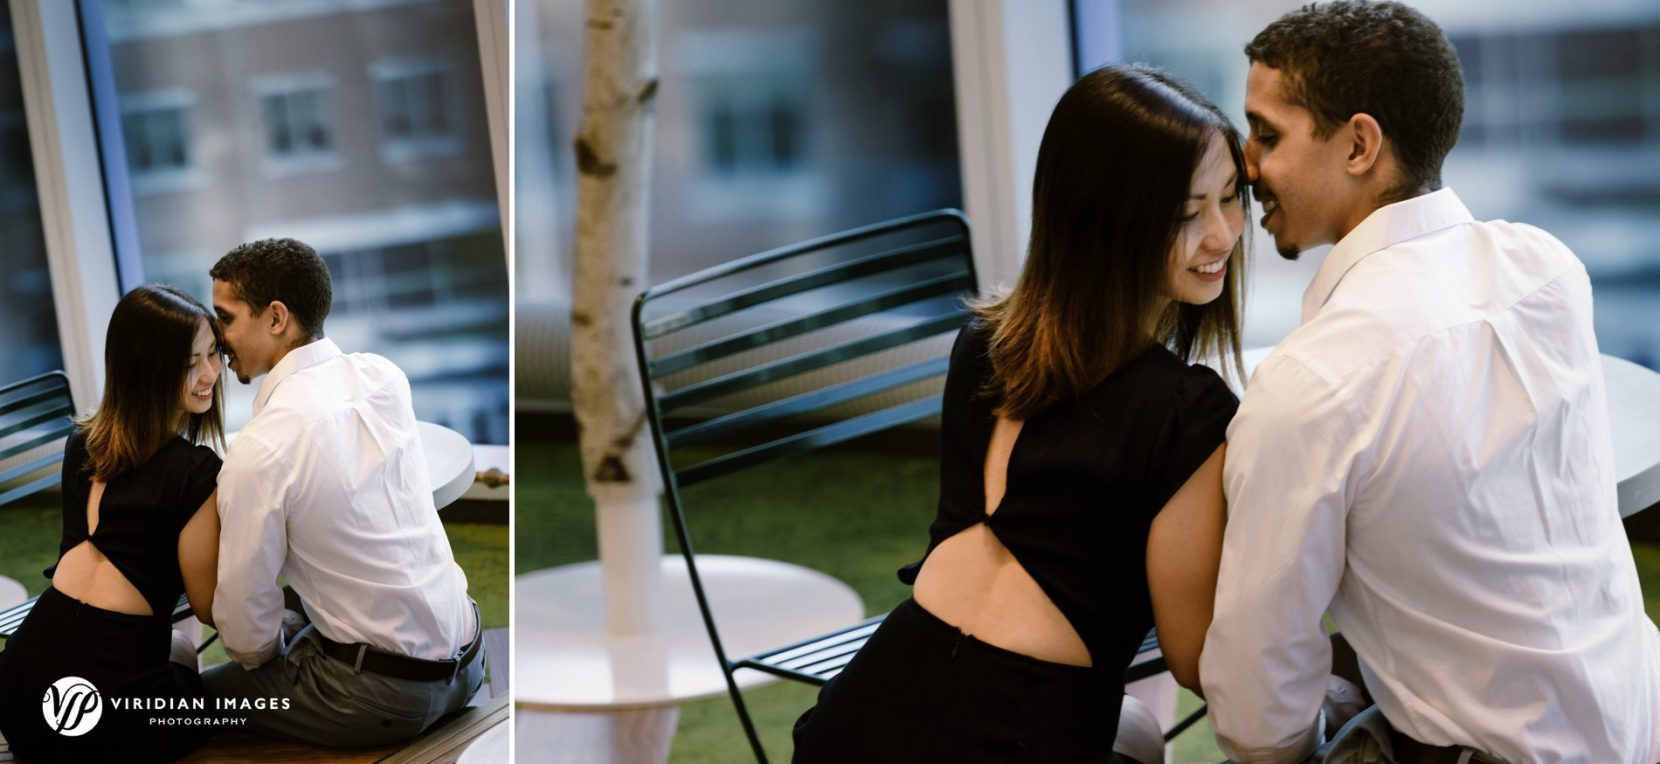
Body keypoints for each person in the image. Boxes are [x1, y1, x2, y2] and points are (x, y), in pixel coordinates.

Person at [1199, 2, 1660, 762]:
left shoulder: (1313, 385)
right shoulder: (1546, 270)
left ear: (1358, 145)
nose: (1245, 165)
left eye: (1267, 135)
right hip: (1636, 717)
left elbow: (1258, 709)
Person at [791, 64, 1248, 763]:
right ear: (1105, 221)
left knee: (1135, 732)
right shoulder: (1185, 415)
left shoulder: (983, 344)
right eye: (1188, 214)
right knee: (1141, 733)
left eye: (1231, 198)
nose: (1222, 236)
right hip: (1019, 735)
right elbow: (1196, 659)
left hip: (860, 718)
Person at [199, 238, 483, 746]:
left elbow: (246, 641)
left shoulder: (262, 449)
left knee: (178, 704)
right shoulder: (382, 377)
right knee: (300, 601)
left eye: (225, 318)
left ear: (276, 318)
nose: (218, 339)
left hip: (384, 699)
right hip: (468, 661)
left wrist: (273, 646)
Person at [0, 284, 225, 762]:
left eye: (214, 353)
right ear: (148, 369)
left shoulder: (80, 441)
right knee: (209, 689)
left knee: (172, 652)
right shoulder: (194, 472)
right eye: (191, 363)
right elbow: (208, 607)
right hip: (111, 711)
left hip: (19, 690)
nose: (211, 374)